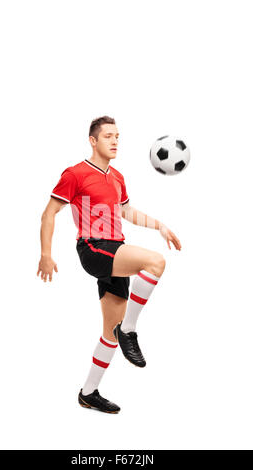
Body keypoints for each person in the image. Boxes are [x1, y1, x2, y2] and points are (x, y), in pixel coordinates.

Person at [37, 116, 181, 414]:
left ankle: (88, 393)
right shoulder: (75, 174)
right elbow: (49, 213)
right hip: (93, 247)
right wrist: (46, 254)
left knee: (108, 333)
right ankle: (130, 329)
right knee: (155, 262)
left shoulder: (116, 176)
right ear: (93, 140)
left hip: (116, 250)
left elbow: (126, 211)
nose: (115, 141)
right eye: (108, 137)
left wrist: (159, 226)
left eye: (117, 136)